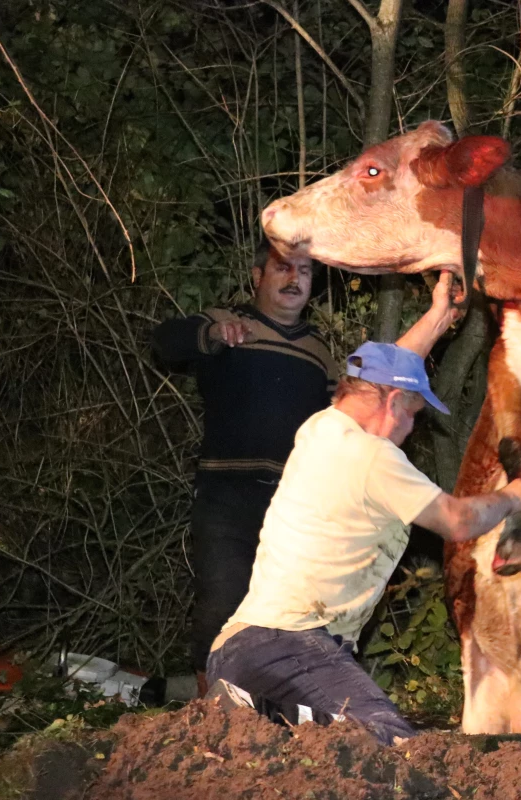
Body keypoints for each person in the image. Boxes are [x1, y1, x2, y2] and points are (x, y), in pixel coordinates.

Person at [205, 273, 521, 744]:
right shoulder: (375, 458)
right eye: (413, 417)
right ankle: (260, 714)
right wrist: (518, 496)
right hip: (288, 646)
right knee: (389, 743)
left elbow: (385, 367)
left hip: (238, 648)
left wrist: (440, 314)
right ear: (396, 402)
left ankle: (265, 719)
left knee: (328, 759)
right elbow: (457, 520)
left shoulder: (321, 429)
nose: (410, 430)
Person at [152, 240, 337, 695]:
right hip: (227, 492)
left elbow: (338, 427)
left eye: (305, 272)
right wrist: (213, 336)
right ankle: (209, 710)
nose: (294, 279)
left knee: (291, 610)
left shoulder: (320, 352)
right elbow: (164, 343)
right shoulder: (225, 322)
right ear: (258, 276)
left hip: (292, 503)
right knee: (221, 599)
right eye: (283, 268)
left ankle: (273, 709)